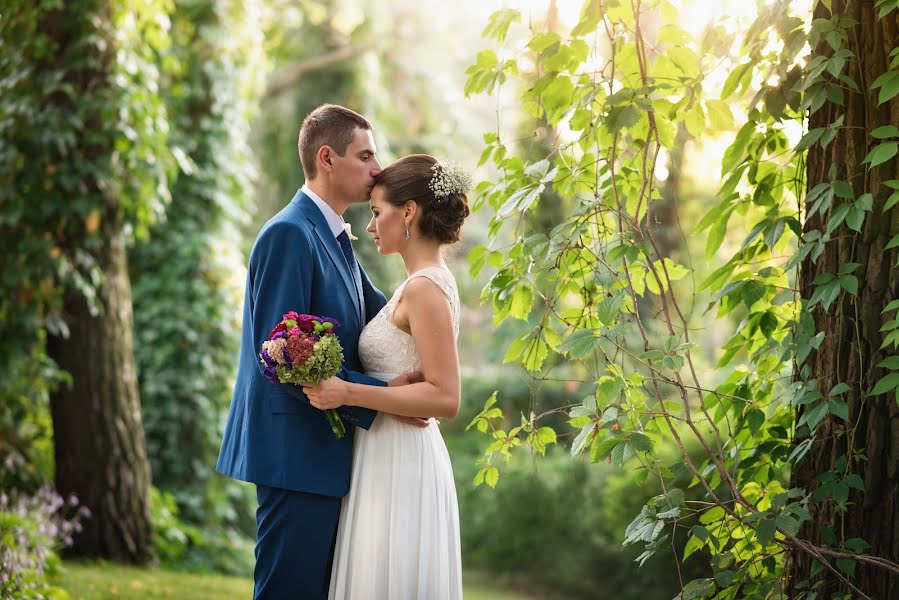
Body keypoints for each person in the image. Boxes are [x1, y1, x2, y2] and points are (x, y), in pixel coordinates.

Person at [215, 104, 423, 600]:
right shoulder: (289, 233)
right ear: (327, 158)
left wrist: (433, 281)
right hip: (296, 456)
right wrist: (382, 393)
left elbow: (383, 318)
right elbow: (283, 355)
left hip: (326, 456)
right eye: (367, 156)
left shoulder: (336, 238)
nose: (378, 170)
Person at [303, 154, 471, 600]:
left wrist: (345, 391)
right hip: (383, 453)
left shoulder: (424, 288)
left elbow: (445, 398)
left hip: (402, 460)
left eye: (377, 212)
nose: (372, 225)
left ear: (409, 212)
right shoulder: (417, 282)